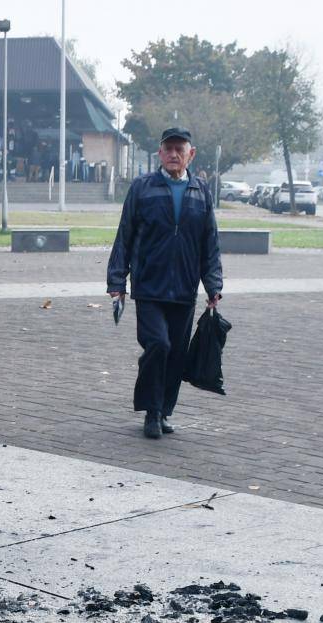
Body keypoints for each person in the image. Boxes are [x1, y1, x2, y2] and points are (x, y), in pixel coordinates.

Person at [106, 127, 223, 439]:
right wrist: (117, 280)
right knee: (158, 345)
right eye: (168, 149)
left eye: (179, 149)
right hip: (149, 287)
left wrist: (213, 286)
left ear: (191, 154)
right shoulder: (143, 188)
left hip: (184, 289)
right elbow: (125, 235)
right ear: (159, 153)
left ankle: (164, 410)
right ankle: (151, 410)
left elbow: (209, 242)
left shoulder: (201, 191)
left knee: (176, 355)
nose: (174, 155)